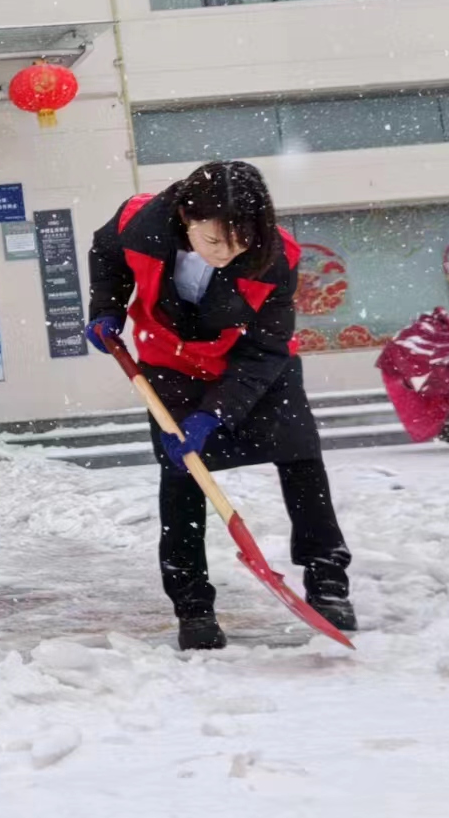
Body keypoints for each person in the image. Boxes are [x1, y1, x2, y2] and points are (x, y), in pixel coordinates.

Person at [85, 161, 355, 651]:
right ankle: (193, 607)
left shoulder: (276, 257)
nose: (227, 254)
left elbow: (267, 349)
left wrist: (216, 413)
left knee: (301, 457)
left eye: (240, 242)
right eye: (213, 241)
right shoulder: (139, 222)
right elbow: (106, 254)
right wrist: (107, 307)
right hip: (171, 363)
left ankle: (328, 579)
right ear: (185, 217)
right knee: (181, 474)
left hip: (252, 366)